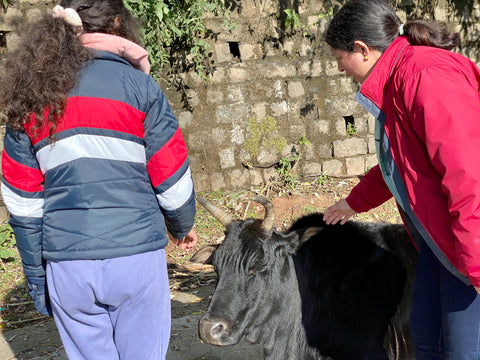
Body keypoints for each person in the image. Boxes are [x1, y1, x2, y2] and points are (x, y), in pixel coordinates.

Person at [0, 1, 198, 359]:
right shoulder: (141, 88)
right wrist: (181, 225)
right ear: (118, 24)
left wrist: (38, 280)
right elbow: (172, 180)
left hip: (67, 267)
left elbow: (24, 208)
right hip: (136, 258)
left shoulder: (30, 101)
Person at [323, 0, 480, 359]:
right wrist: (353, 202)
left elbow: (469, 176)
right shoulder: (396, 80)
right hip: (440, 244)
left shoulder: (424, 77)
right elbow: (402, 165)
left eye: (338, 57)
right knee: (426, 339)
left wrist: (476, 266)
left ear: (361, 50)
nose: (339, 68)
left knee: (463, 350)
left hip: (468, 243)